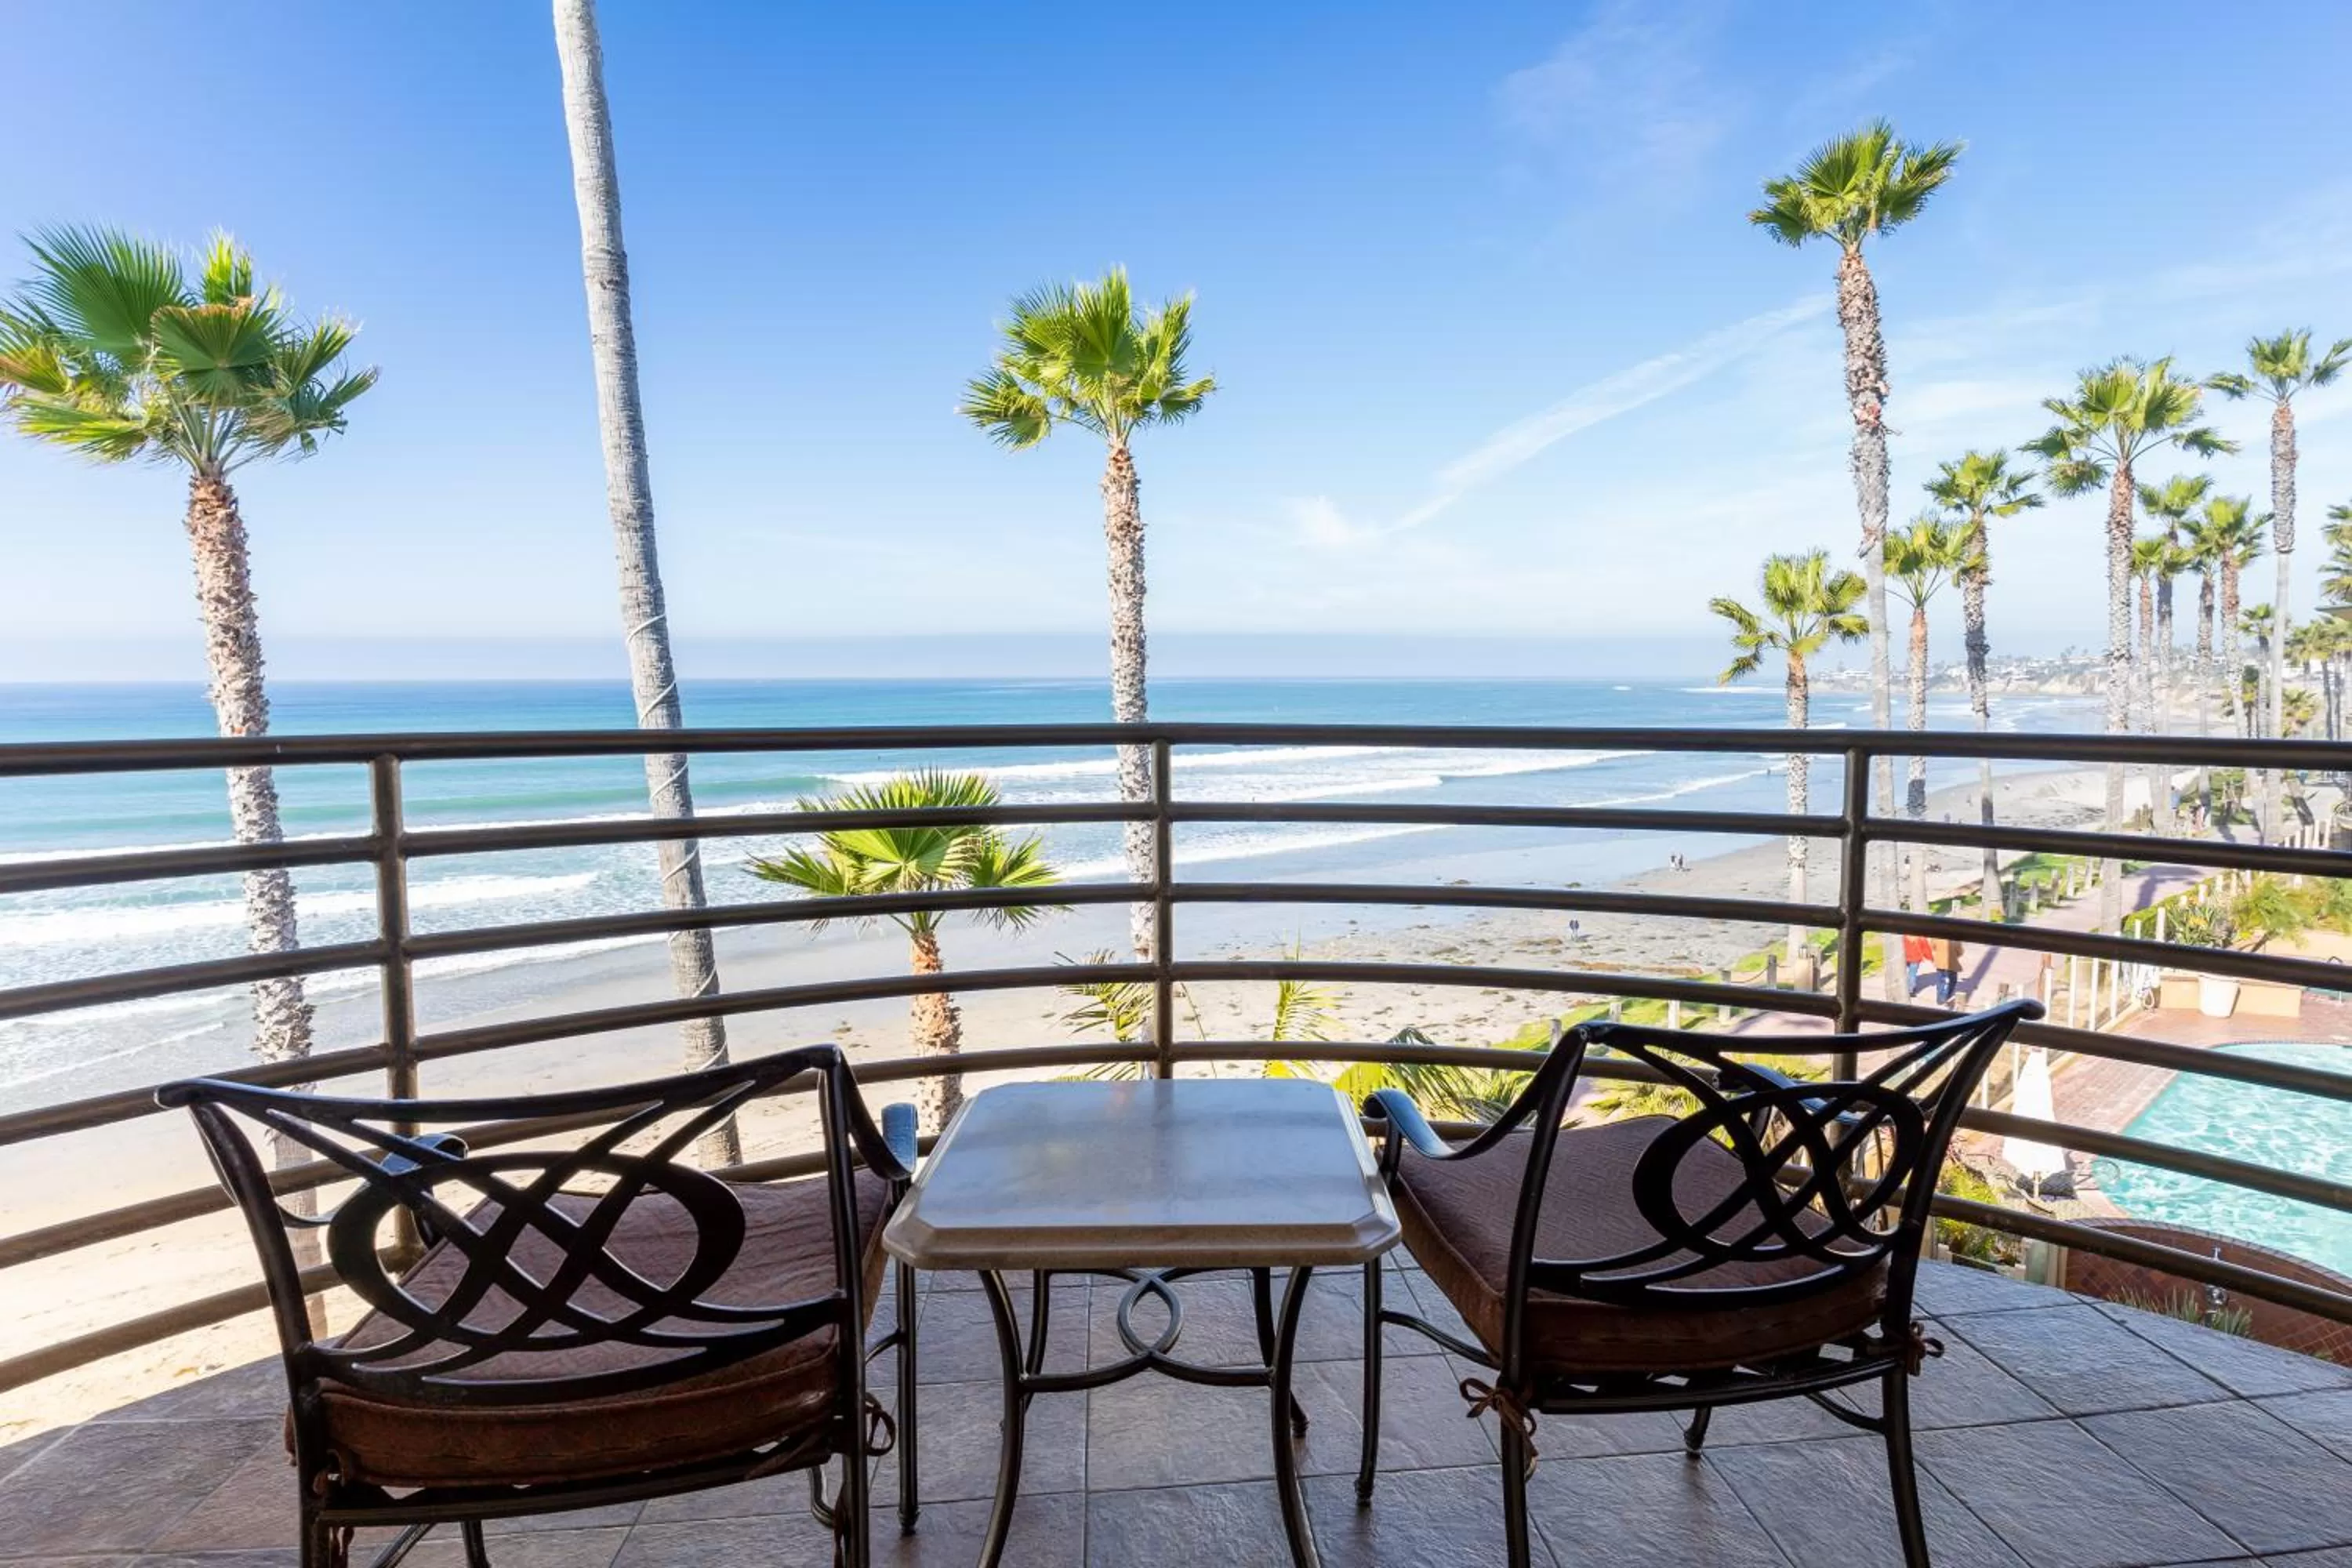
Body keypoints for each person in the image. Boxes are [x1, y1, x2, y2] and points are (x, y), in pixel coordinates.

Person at [1933, 935, 1965, 1005]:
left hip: (1940, 962)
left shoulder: (1937, 938)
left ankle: (1940, 999)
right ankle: (1947, 996)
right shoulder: (1956, 941)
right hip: (1952, 964)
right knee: (1953, 981)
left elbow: (1933, 946)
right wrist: (1954, 955)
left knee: (1940, 980)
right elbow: (1960, 952)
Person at [1901, 933, 1933, 997]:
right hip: (1915, 958)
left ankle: (1903, 987)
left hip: (1905, 957)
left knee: (1905, 973)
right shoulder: (1921, 938)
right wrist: (1930, 958)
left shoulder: (1904, 936)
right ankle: (1911, 990)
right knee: (1912, 974)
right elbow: (1926, 949)